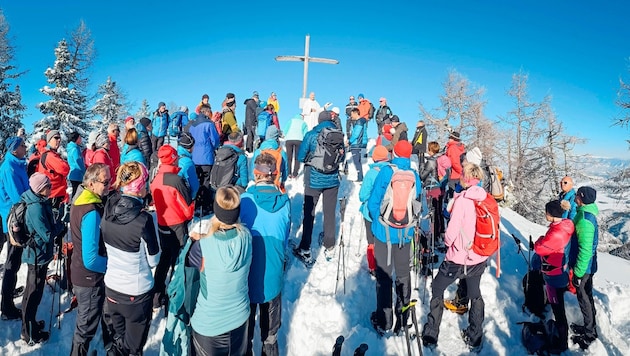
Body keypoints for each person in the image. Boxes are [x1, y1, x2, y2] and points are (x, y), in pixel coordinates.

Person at [421, 163, 489, 350]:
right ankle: (475, 337)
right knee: (475, 295)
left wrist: (449, 244)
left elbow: (451, 232)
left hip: (458, 258)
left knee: (437, 288)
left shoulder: (463, 200)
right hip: (479, 256)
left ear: (466, 178)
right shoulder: (485, 198)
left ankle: (431, 333)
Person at [101, 162, 161, 356]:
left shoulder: (108, 208)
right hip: (136, 291)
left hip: (112, 287)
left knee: (120, 340)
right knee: (134, 348)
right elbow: (154, 260)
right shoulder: (143, 220)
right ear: (139, 185)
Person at [188, 186, 252, 355]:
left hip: (209, 325)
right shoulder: (246, 237)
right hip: (240, 319)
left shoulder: (203, 245)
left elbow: (191, 265)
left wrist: (194, 240)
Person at [367, 141, 421, 335]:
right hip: (405, 234)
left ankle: (385, 321)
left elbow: (374, 201)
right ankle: (403, 318)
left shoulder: (386, 171)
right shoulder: (414, 175)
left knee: (384, 275)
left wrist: (377, 222)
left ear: (394, 153)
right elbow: (417, 202)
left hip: (384, 232)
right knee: (403, 274)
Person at [240, 153, 291, 356]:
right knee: (270, 335)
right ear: (275, 174)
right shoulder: (285, 202)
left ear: (255, 173)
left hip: (247, 275)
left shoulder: (245, 199)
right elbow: (285, 236)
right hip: (273, 273)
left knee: (245, 333)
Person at [69, 163, 111, 356]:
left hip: (80, 272)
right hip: (89, 278)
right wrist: (110, 265)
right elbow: (91, 259)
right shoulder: (91, 212)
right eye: (106, 181)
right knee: (85, 328)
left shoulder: (80, 198)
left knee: (86, 324)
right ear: (92, 184)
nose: (109, 184)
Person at [21, 173, 65, 345]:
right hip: (37, 256)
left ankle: (29, 325)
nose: (51, 188)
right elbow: (47, 235)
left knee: (33, 292)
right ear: (40, 189)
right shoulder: (35, 208)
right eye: (48, 186)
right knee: (32, 295)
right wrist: (60, 225)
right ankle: (29, 332)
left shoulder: (38, 201)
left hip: (38, 254)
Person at [150, 145, 195, 309]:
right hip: (177, 224)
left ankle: (157, 295)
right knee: (179, 260)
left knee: (164, 258)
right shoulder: (176, 180)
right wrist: (189, 214)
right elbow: (187, 206)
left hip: (162, 223)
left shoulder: (156, 179)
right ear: (173, 158)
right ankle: (175, 296)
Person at [293, 111, 342, 264]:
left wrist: (311, 160)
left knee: (309, 213)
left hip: (313, 180)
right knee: (329, 212)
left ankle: (305, 247)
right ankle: (329, 244)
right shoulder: (339, 135)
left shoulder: (311, 134)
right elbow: (342, 157)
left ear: (319, 120)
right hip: (332, 180)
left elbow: (300, 156)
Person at [531, 199, 574, 353]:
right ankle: (559, 333)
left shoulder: (557, 233)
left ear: (552, 214)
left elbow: (540, 248)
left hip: (554, 275)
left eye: (547, 212)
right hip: (558, 271)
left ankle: (562, 343)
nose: (545, 214)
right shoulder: (564, 225)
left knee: (558, 309)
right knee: (557, 305)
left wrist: (540, 240)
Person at [0, 137, 29, 320]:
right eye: (23, 145)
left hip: (19, 215)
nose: (26, 147)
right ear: (14, 149)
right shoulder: (9, 167)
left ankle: (9, 293)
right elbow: (17, 196)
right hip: (13, 220)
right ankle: (7, 307)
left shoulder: (17, 164)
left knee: (16, 260)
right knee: (11, 262)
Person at [569, 186, 599, 349]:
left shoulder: (585, 220)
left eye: (577, 196)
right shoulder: (585, 214)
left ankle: (589, 334)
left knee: (584, 298)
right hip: (587, 266)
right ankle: (590, 328)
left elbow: (586, 249)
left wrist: (578, 273)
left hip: (584, 268)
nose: (574, 198)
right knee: (587, 295)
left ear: (581, 198)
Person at [358, 145, 390, 276]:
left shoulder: (372, 173)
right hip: (387, 211)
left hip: (371, 213)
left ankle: (373, 266)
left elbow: (363, 195)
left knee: (371, 240)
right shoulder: (391, 171)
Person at [183, 104, 220, 215]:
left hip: (194, 157)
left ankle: (197, 203)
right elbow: (215, 140)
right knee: (206, 181)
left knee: (196, 181)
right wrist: (213, 147)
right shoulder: (209, 124)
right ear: (207, 112)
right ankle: (205, 205)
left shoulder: (192, 125)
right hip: (206, 156)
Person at [419, 141, 445, 248]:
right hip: (440, 188)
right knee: (438, 211)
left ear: (430, 150)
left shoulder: (431, 162)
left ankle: (435, 236)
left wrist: (421, 163)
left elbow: (422, 175)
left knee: (433, 213)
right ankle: (440, 233)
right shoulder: (440, 159)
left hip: (432, 189)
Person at [38, 129, 70, 209]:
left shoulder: (51, 154)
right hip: (54, 194)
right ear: (49, 140)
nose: (59, 140)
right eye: (56, 138)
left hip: (55, 193)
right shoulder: (50, 155)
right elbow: (65, 168)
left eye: (59, 138)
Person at [282, 114, 308, 179]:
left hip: (289, 140)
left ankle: (289, 173)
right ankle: (295, 174)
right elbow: (305, 133)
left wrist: (284, 135)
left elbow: (285, 130)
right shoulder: (304, 123)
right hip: (299, 140)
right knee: (297, 158)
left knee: (289, 157)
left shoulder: (291, 121)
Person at [177, 132, 200, 201]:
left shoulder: (175, 156)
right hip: (184, 197)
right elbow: (194, 185)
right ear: (189, 148)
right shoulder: (187, 162)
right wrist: (192, 198)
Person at [347, 108, 368, 182]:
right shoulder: (362, 121)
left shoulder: (359, 122)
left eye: (352, 114)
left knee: (357, 161)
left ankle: (360, 177)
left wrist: (349, 142)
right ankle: (360, 177)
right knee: (358, 161)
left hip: (357, 144)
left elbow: (356, 134)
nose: (351, 116)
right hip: (361, 143)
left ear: (356, 113)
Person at [444, 131, 466, 195]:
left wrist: (460, 171)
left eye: (450, 138)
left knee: (453, 194)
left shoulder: (452, 147)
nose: (449, 139)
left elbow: (454, 162)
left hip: (453, 174)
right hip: (460, 174)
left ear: (452, 138)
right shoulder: (460, 147)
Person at [67, 132, 86, 198]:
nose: (81, 140)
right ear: (76, 139)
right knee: (77, 193)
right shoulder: (75, 149)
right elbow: (79, 162)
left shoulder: (70, 148)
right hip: (78, 174)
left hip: (73, 174)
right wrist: (84, 171)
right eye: (80, 138)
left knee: (75, 192)